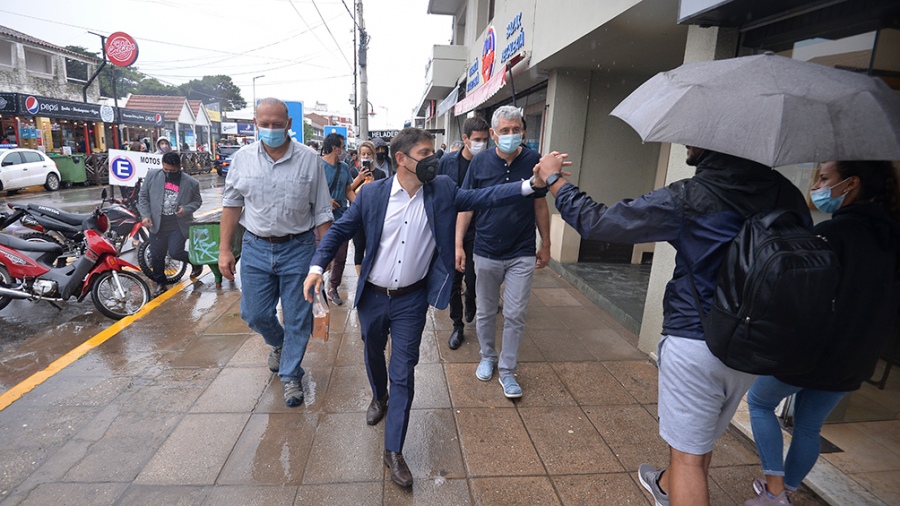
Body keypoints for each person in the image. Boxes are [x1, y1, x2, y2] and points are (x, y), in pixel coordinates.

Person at [533, 146, 812, 506]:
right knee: (699, 442)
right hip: (753, 343)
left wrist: (555, 180)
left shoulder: (693, 196)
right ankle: (665, 485)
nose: (685, 144)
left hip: (697, 342)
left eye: (692, 136)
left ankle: (674, 486)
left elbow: (599, 222)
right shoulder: (785, 192)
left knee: (688, 459)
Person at [303, 127, 540, 488]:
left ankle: (394, 450)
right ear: (402, 159)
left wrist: (529, 186)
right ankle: (378, 397)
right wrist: (317, 267)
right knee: (371, 350)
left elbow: (484, 196)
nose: (434, 159)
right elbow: (338, 232)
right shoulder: (372, 196)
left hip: (411, 299)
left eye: (433, 152)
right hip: (373, 295)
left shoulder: (442, 189)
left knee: (404, 369)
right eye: (426, 153)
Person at [743, 161, 900, 506]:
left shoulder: (835, 233)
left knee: (759, 402)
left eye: (825, 178)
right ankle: (787, 491)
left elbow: (801, 295)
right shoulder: (892, 237)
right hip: (857, 356)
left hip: (811, 351)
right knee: (809, 426)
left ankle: (774, 491)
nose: (817, 184)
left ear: (851, 184)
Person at [218, 97, 333, 407]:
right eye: (264, 124)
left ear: (288, 125)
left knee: (298, 317)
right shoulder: (242, 159)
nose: (270, 129)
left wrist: (325, 260)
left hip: (298, 248)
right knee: (253, 313)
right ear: (256, 124)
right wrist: (224, 249)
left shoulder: (310, 160)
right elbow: (231, 205)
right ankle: (279, 343)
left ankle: (291, 374)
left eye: (276, 124)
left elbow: (322, 211)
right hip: (255, 247)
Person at [457, 106, 550, 398]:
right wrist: (458, 243)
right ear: (494, 134)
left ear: (523, 131)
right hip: (485, 249)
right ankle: (488, 355)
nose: (511, 135)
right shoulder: (480, 162)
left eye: (516, 129)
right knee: (485, 312)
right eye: (505, 131)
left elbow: (539, 204)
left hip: (521, 250)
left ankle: (508, 370)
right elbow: (467, 204)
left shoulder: (534, 161)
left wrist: (545, 242)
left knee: (515, 313)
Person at [439, 116, 491, 350]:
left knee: (472, 277)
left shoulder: (490, 163)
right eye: (477, 139)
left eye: (484, 139)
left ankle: (471, 299)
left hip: (479, 230)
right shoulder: (447, 162)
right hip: (450, 230)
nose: (481, 144)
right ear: (465, 139)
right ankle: (457, 324)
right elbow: (436, 193)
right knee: (452, 280)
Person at [138, 152, 204, 297]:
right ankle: (161, 283)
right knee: (157, 255)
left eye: (172, 171)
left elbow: (197, 201)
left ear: (179, 167)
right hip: (157, 224)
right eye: (165, 170)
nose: (168, 173)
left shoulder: (191, 183)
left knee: (175, 252)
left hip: (178, 225)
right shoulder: (152, 176)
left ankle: (196, 262)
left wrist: (186, 209)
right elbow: (143, 197)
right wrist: (146, 215)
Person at [320, 132, 364, 306]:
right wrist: (324, 200)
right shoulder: (318, 166)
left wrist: (361, 205)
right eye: (342, 146)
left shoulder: (344, 167)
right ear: (334, 148)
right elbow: (307, 192)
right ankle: (317, 283)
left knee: (340, 256)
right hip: (321, 219)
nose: (344, 150)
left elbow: (348, 191)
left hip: (341, 217)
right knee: (322, 254)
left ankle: (333, 288)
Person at [348, 141, 388, 276]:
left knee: (374, 247)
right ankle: (360, 279)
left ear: (374, 155)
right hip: (358, 215)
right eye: (363, 154)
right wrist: (359, 178)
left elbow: (383, 194)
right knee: (359, 247)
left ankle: (372, 275)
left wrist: (373, 181)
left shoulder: (380, 174)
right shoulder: (353, 171)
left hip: (374, 215)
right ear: (359, 155)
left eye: (369, 154)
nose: (366, 156)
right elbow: (348, 191)